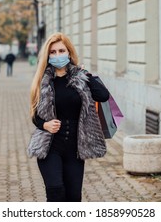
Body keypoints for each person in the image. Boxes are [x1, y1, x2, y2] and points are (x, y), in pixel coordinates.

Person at [28, 32, 109, 202]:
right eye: (53, 52)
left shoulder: (80, 78)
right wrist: (45, 125)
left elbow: (103, 95)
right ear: (47, 55)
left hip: (75, 148)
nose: (57, 55)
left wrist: (86, 74)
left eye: (61, 51)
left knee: (73, 197)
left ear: (69, 53)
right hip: (50, 146)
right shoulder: (42, 82)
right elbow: (34, 115)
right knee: (56, 191)